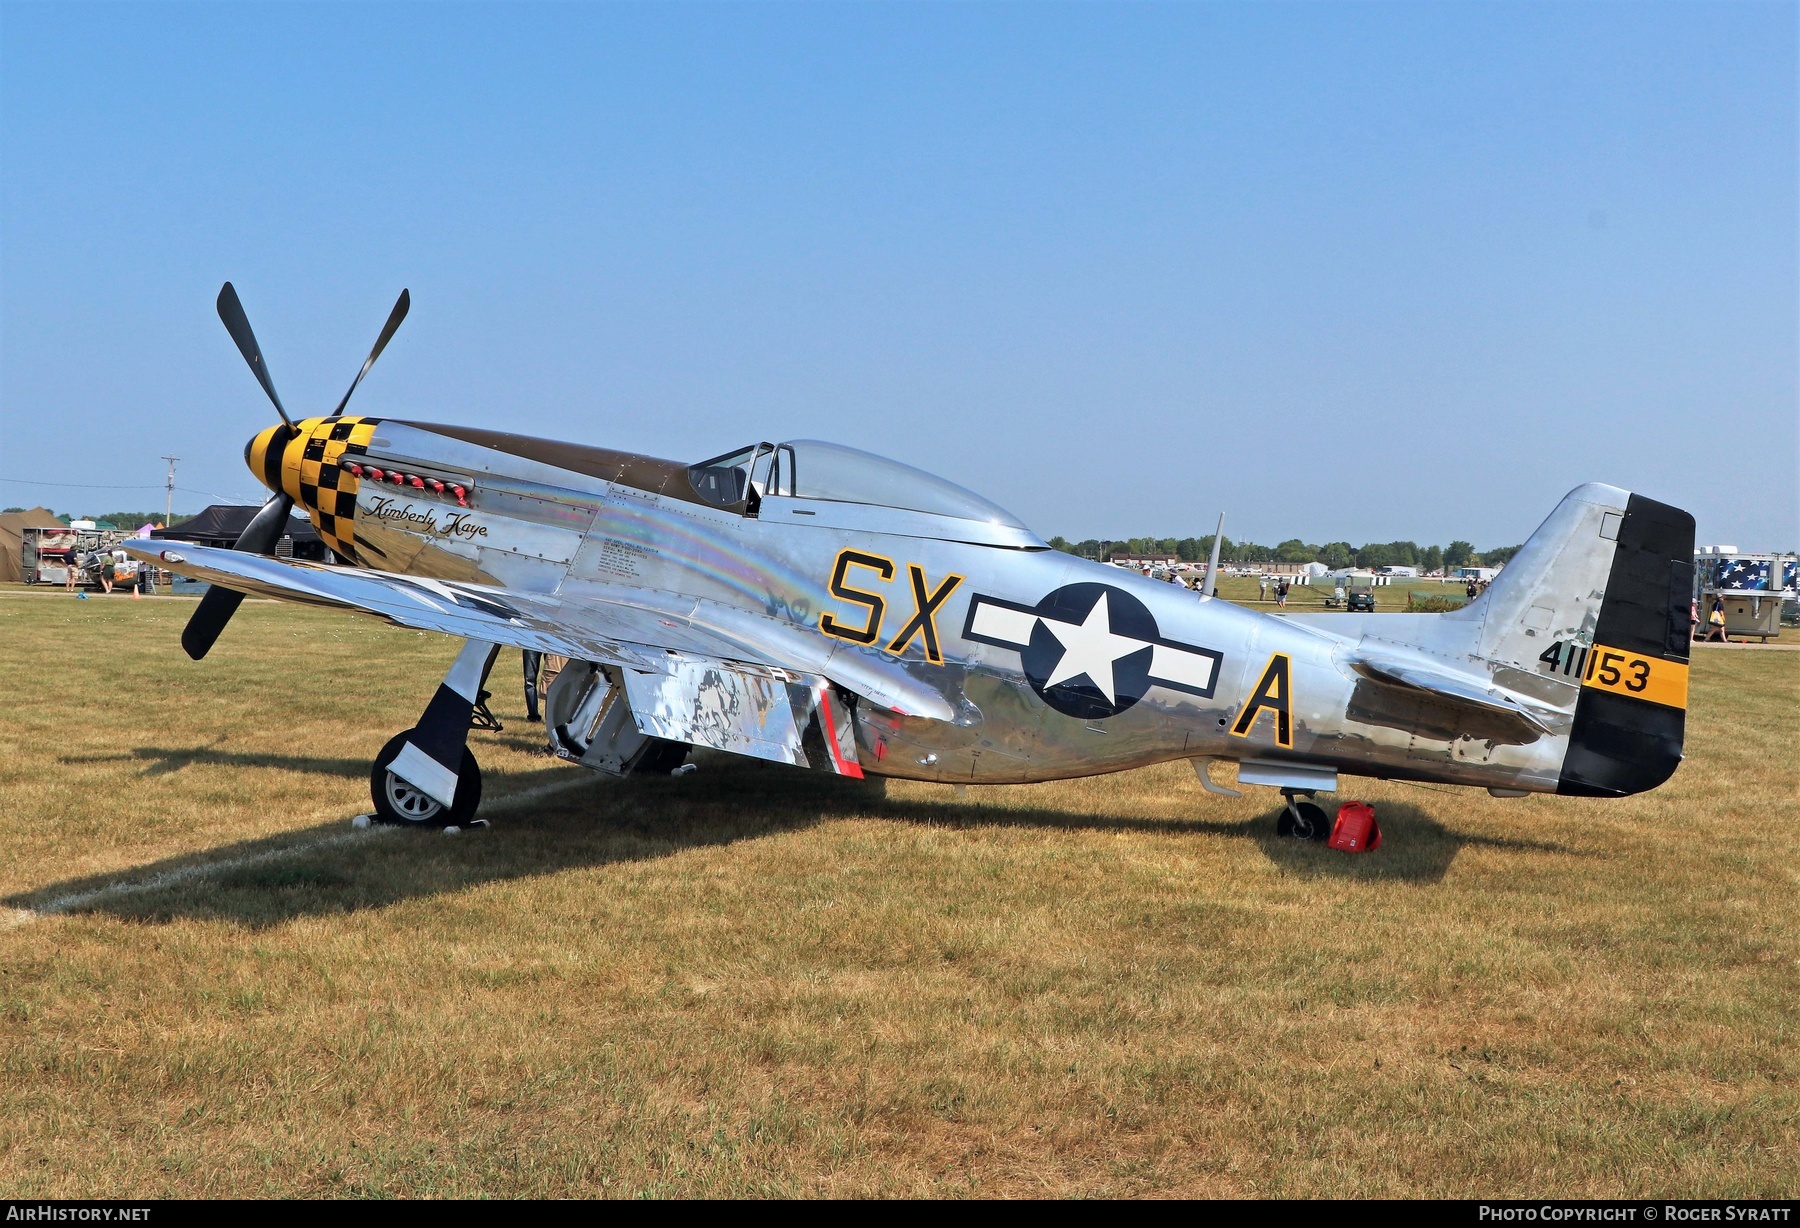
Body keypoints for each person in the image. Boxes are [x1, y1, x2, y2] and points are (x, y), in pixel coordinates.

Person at [522, 649, 542, 722]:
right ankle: (533, 715)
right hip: (531, 643)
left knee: (552, 678)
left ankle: (551, 714)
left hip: (550, 640)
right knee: (529, 680)